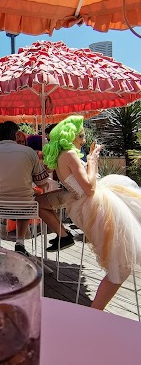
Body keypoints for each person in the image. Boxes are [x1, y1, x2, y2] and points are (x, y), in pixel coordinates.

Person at [38, 115, 141, 310]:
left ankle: (96, 311)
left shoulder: (63, 155)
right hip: (94, 204)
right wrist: (92, 161)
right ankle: (95, 312)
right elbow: (90, 188)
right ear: (70, 136)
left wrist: (92, 159)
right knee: (121, 264)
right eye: (81, 136)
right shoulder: (69, 154)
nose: (83, 140)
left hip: (87, 203)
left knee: (122, 259)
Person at [0, 121, 49, 254]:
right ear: (15, 135)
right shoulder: (29, 152)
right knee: (26, 200)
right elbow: (42, 183)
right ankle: (20, 243)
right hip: (24, 206)